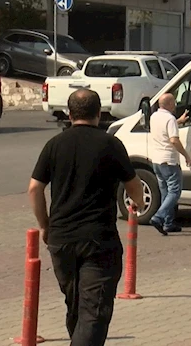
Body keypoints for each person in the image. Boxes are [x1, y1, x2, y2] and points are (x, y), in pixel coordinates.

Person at [28, 88, 145, 346]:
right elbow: (134, 185)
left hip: (61, 240)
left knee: (76, 306)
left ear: (69, 114)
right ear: (98, 112)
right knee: (93, 312)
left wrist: (45, 225)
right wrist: (138, 202)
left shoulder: (54, 145)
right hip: (97, 241)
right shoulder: (111, 144)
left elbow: (35, 188)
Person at [148, 93, 191, 236]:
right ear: (168, 104)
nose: (175, 104)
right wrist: (186, 156)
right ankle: (159, 217)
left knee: (165, 192)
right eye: (173, 102)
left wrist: (178, 121)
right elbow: (174, 140)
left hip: (157, 160)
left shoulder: (154, 116)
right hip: (169, 161)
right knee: (175, 191)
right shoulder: (170, 118)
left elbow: (164, 129)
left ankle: (168, 223)